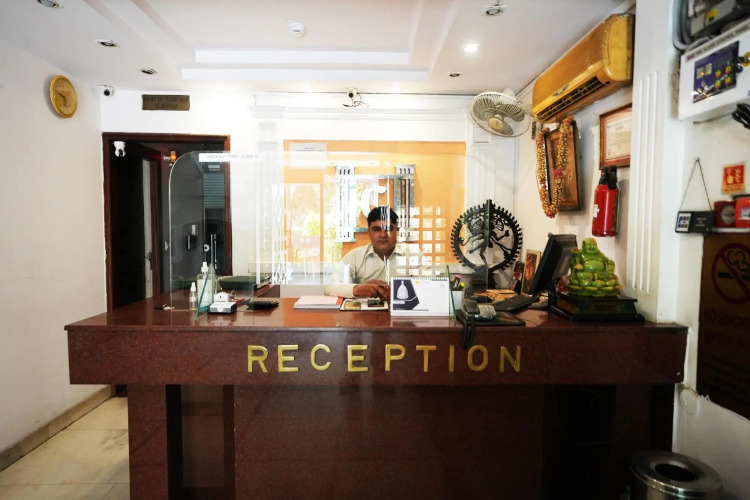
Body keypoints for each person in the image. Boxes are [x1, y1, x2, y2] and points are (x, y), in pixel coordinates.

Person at [325, 206, 424, 300]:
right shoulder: (355, 256)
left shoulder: (414, 254)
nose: (383, 235)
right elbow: (330, 288)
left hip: (403, 310)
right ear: (369, 232)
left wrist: (398, 289)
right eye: (376, 229)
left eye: (389, 229)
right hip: (364, 311)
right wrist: (357, 289)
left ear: (397, 231)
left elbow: (428, 286)